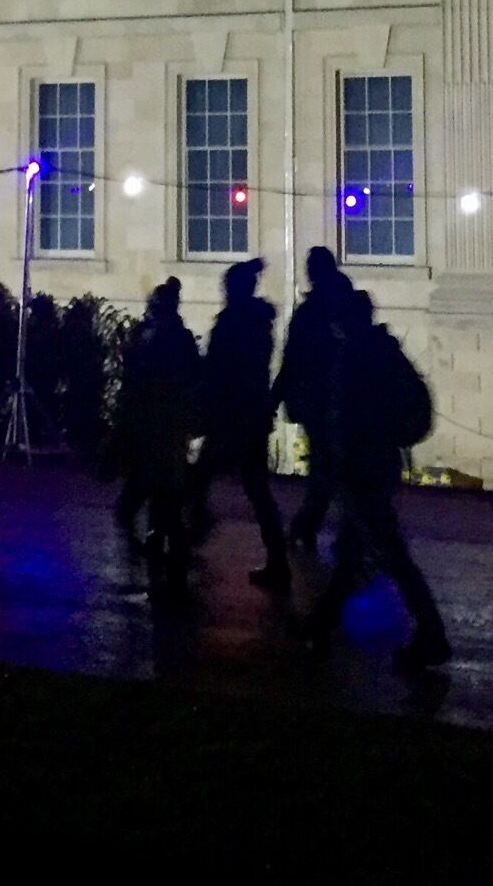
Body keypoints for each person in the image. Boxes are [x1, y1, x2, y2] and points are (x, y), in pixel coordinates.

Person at [306, 289, 450, 671]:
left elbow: (348, 419)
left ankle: (432, 634)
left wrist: (339, 459)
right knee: (352, 552)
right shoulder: (379, 351)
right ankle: (320, 622)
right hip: (374, 464)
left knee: (390, 554)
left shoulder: (358, 356)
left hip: (363, 468)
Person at [187, 258, 290, 590]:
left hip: (231, 415)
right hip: (249, 414)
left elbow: (219, 370)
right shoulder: (256, 323)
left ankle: (191, 535)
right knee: (255, 489)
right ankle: (277, 559)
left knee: (205, 478)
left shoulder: (235, 324)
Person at [111, 276, 201, 590]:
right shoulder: (177, 337)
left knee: (153, 486)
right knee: (164, 488)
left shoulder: (154, 338)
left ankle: (164, 543)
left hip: (156, 422)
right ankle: (164, 541)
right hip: (167, 423)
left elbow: (136, 380)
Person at [276, 246, 354, 548]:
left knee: (326, 465)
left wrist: (279, 395)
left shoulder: (314, 311)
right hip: (336, 398)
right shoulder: (342, 305)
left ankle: (309, 526)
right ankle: (319, 526)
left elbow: (293, 356)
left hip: (323, 399)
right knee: (331, 464)